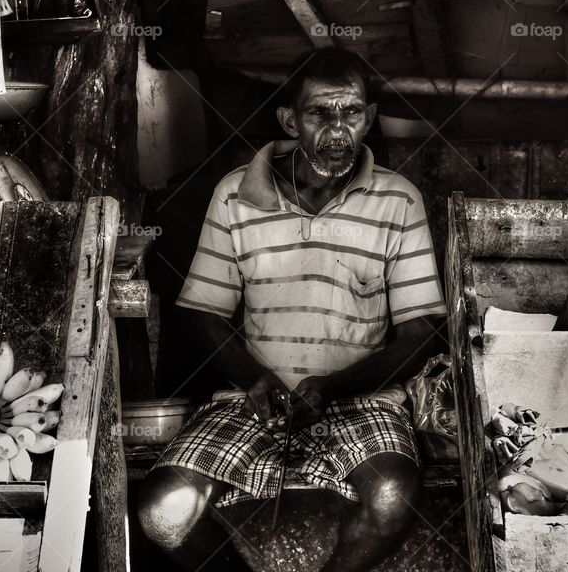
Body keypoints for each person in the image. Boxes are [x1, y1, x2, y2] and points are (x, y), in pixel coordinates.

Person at [138, 47, 447, 572]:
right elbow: (203, 310)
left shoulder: (400, 200)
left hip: (362, 402)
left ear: (369, 118)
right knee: (159, 510)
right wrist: (254, 378)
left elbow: (419, 331)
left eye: (351, 113)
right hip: (253, 401)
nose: (337, 129)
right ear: (289, 120)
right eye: (318, 113)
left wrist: (334, 387)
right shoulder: (235, 193)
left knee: (393, 493)